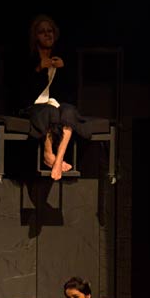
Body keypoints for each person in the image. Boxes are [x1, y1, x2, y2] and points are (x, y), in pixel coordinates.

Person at [16, 13, 92, 181]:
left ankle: (58, 158)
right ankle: (48, 154)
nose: (47, 34)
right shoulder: (29, 58)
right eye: (42, 32)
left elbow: (70, 89)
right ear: (35, 36)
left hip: (56, 103)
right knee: (49, 112)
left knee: (69, 112)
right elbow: (21, 89)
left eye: (49, 31)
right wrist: (38, 69)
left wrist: (63, 69)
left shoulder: (60, 56)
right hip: (34, 105)